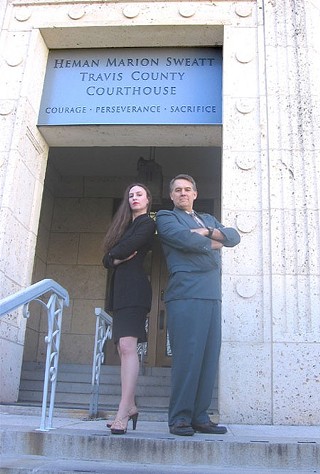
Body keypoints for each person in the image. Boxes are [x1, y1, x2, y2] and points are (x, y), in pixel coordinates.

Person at [156, 174, 240, 436]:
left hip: (212, 294)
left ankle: (200, 417)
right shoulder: (166, 218)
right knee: (188, 357)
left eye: (187, 189)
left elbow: (234, 237)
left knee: (207, 358)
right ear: (172, 196)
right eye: (178, 190)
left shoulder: (207, 219)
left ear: (195, 193)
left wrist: (204, 232)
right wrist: (214, 243)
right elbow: (184, 240)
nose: (183, 193)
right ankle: (180, 418)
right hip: (186, 294)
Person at [102, 183, 155, 435]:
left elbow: (121, 251)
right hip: (120, 292)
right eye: (131, 195)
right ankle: (130, 405)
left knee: (127, 347)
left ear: (148, 200)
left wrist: (116, 256)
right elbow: (107, 258)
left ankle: (122, 411)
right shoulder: (123, 225)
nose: (134, 198)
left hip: (135, 290)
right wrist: (115, 257)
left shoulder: (147, 224)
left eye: (139, 194)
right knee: (123, 350)